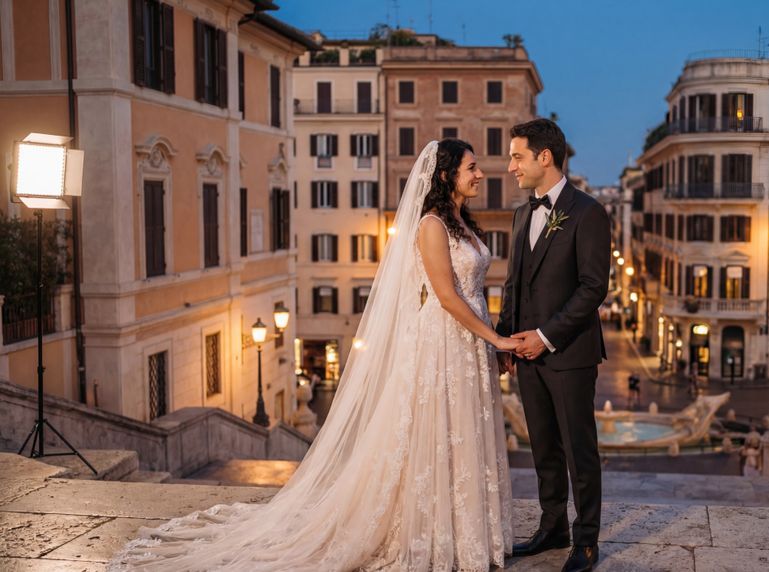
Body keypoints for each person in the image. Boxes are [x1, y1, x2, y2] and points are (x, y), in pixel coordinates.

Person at [107, 140, 522, 571]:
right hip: (444, 342)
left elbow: (472, 294)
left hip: (468, 343)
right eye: (471, 168)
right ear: (444, 175)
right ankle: (431, 532)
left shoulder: (461, 220)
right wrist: (499, 340)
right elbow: (446, 297)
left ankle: (462, 528)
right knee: (439, 430)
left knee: (462, 430)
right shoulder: (432, 225)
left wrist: (490, 344)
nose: (480, 174)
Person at [496, 118, 610, 572]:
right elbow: (513, 283)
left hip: (569, 354)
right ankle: (552, 527)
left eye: (517, 156)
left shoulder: (589, 212)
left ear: (545, 157)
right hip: (525, 355)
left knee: (578, 448)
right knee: (542, 446)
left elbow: (592, 287)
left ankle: (585, 540)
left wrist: (545, 337)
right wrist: (506, 338)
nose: (510, 167)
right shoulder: (523, 212)